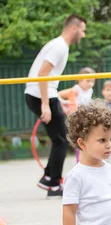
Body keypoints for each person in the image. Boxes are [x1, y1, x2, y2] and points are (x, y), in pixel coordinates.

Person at [25, 14, 87, 198]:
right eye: (82, 30)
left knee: (59, 138)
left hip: (44, 95)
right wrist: (46, 104)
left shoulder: (59, 46)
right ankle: (53, 183)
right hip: (40, 96)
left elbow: (47, 79)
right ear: (74, 29)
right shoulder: (59, 46)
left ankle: (48, 178)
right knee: (62, 139)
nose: (83, 35)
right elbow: (43, 74)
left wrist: (57, 101)